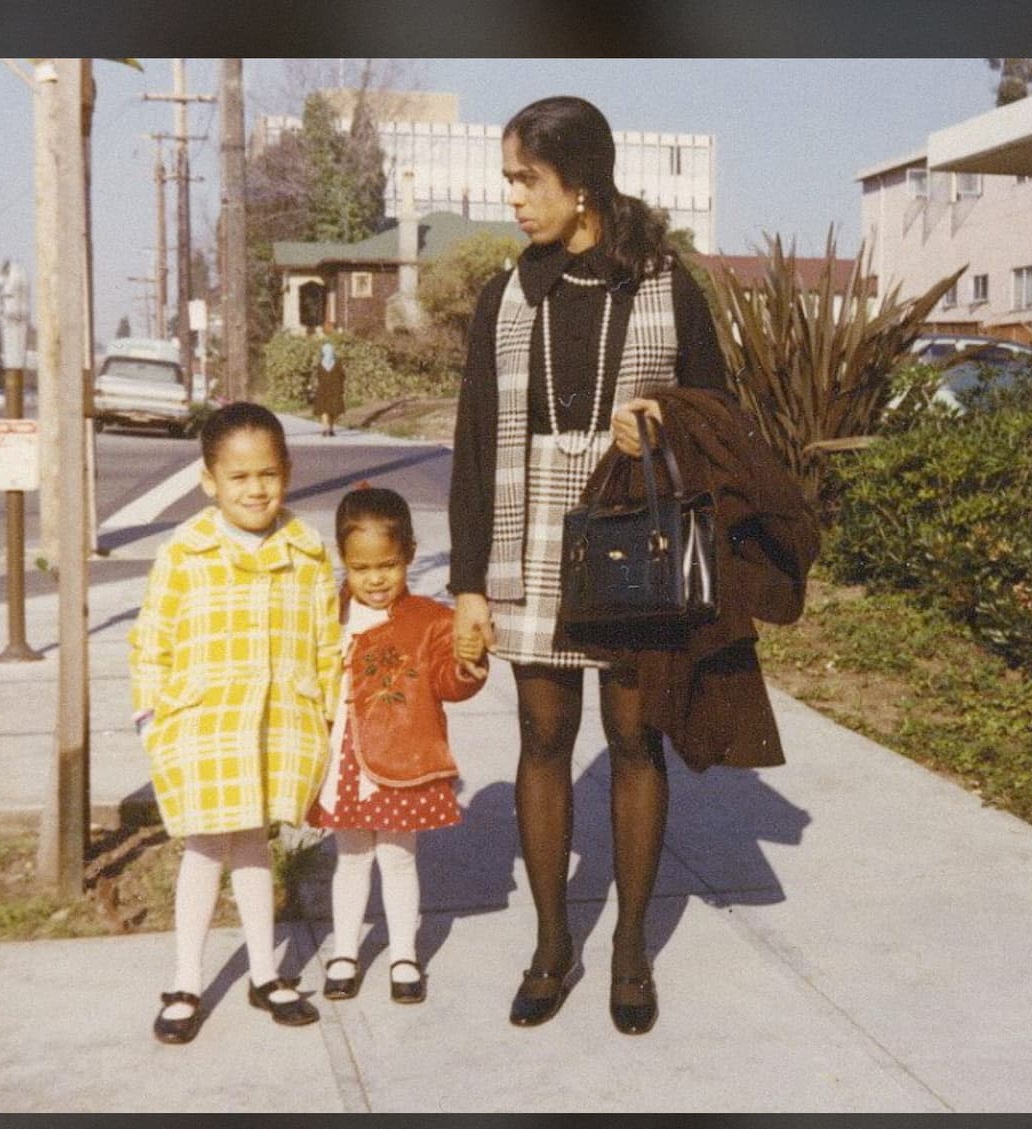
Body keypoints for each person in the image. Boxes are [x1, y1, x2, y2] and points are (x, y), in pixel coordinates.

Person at [448, 96, 730, 1036]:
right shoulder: (506, 294)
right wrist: (467, 585)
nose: (514, 198)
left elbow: (719, 413)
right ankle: (550, 944)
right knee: (541, 736)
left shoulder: (666, 284)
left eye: (527, 180)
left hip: (630, 532)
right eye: (510, 180)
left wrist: (659, 420)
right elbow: (473, 442)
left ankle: (631, 947)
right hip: (527, 533)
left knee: (636, 738)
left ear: (581, 183)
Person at [129, 401, 340, 1044]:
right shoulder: (185, 551)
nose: (255, 489)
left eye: (268, 474)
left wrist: (328, 715)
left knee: (253, 844)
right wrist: (150, 717)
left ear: (287, 472)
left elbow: (326, 643)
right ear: (209, 480)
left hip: (277, 722)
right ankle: (186, 980)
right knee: (203, 848)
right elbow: (152, 639)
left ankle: (264, 973)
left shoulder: (307, 551)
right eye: (239, 477)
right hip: (203, 724)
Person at [307, 485, 487, 1003]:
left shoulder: (430, 620)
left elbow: (449, 683)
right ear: (343, 560)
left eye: (387, 565)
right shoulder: (329, 614)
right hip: (343, 760)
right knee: (351, 858)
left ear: (408, 554)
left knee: (398, 857)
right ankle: (345, 952)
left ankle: (404, 954)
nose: (375, 579)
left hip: (402, 760)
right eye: (360, 568)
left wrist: (467, 659)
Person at [313, 337, 346, 437]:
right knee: (333, 410)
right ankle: (331, 429)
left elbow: (318, 376)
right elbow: (342, 376)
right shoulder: (338, 363)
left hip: (323, 390)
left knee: (324, 410)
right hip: (335, 389)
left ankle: (324, 429)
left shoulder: (320, 365)